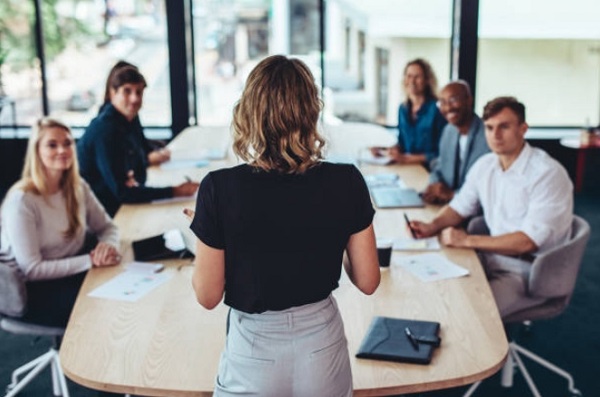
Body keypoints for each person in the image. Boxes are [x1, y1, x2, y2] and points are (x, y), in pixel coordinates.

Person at [188, 55, 380, 397]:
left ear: (248, 111)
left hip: (253, 351)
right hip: (322, 346)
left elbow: (207, 296)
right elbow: (367, 281)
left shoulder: (218, 188)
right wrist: (336, 232)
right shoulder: (347, 180)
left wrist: (212, 232)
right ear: (311, 111)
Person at [409, 97, 573, 318]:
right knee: (437, 294)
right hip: (490, 257)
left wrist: (467, 240)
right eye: (489, 127)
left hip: (530, 272)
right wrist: (432, 225)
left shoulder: (547, 174)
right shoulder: (485, 165)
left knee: (469, 317)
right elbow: (460, 207)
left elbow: (527, 241)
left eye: (504, 127)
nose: (495, 135)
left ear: (523, 129)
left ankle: (494, 351)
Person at [0, 117, 120, 328]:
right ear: (37, 151)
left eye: (67, 143)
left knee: (118, 284)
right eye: (52, 145)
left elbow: (108, 227)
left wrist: (107, 246)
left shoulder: (78, 187)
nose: (62, 150)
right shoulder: (22, 200)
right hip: (31, 291)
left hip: (69, 271)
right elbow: (32, 269)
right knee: (104, 308)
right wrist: (91, 260)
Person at [78, 65, 199, 216]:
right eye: (127, 91)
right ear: (112, 93)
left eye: (139, 92)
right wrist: (175, 191)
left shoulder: (130, 117)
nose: (135, 99)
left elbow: (140, 161)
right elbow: (122, 193)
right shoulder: (105, 130)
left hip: (119, 201)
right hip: (102, 211)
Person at [421, 80, 490, 204]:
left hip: (474, 210)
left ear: (469, 100)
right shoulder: (448, 131)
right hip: (448, 205)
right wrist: (435, 184)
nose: (447, 107)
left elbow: (488, 187)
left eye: (453, 100)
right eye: (442, 102)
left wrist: (453, 195)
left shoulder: (488, 135)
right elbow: (439, 167)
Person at [371, 58, 447, 167]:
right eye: (409, 76)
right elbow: (402, 142)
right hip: (409, 167)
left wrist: (406, 159)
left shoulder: (437, 110)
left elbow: (442, 153)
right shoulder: (402, 109)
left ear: (427, 80)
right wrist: (386, 150)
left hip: (430, 170)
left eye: (417, 77)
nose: (412, 81)